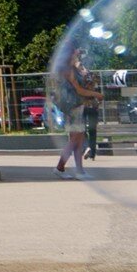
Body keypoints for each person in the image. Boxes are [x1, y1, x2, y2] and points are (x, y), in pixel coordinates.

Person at [54, 50, 101, 178]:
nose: (78, 56)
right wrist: (96, 94)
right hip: (72, 108)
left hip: (77, 107)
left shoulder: (74, 69)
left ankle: (80, 171)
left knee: (79, 140)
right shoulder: (68, 70)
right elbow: (79, 90)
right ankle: (60, 167)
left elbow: (86, 81)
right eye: (76, 53)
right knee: (74, 140)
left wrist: (81, 68)